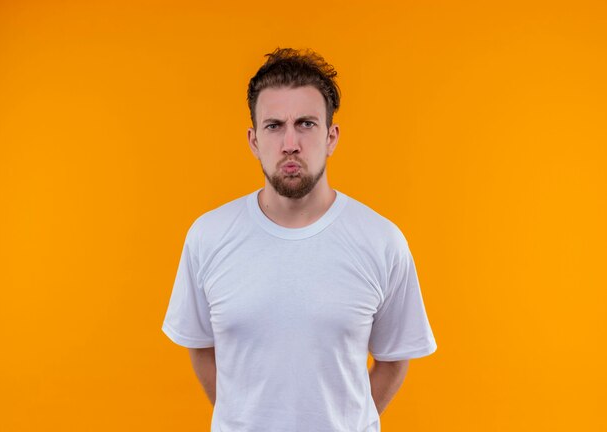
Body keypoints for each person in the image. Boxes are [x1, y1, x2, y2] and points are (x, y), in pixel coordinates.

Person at [162, 47, 437, 432]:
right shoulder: (208, 236)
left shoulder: (382, 241)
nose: (290, 143)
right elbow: (200, 347)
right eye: (274, 125)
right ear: (254, 140)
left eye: (306, 123)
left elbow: (394, 360)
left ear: (331, 136)